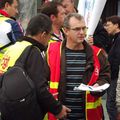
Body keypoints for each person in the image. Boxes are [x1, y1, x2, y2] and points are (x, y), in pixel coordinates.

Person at [0, 13, 71, 120]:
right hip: (23, 112)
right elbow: (40, 88)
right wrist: (58, 109)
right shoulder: (32, 52)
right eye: (50, 35)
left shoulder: (14, 47)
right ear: (43, 34)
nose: (49, 40)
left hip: (7, 110)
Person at [46, 13, 111, 120]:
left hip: (89, 116)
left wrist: (99, 85)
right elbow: (42, 82)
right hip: (59, 114)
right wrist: (55, 107)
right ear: (66, 31)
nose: (82, 32)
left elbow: (105, 76)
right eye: (77, 29)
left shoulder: (98, 53)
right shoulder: (51, 51)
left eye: (84, 28)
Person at [105, 15, 120, 120]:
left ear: (116, 25)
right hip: (113, 76)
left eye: (109, 25)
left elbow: (117, 59)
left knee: (111, 104)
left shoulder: (119, 39)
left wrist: (111, 75)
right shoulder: (115, 38)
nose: (107, 27)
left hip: (115, 77)